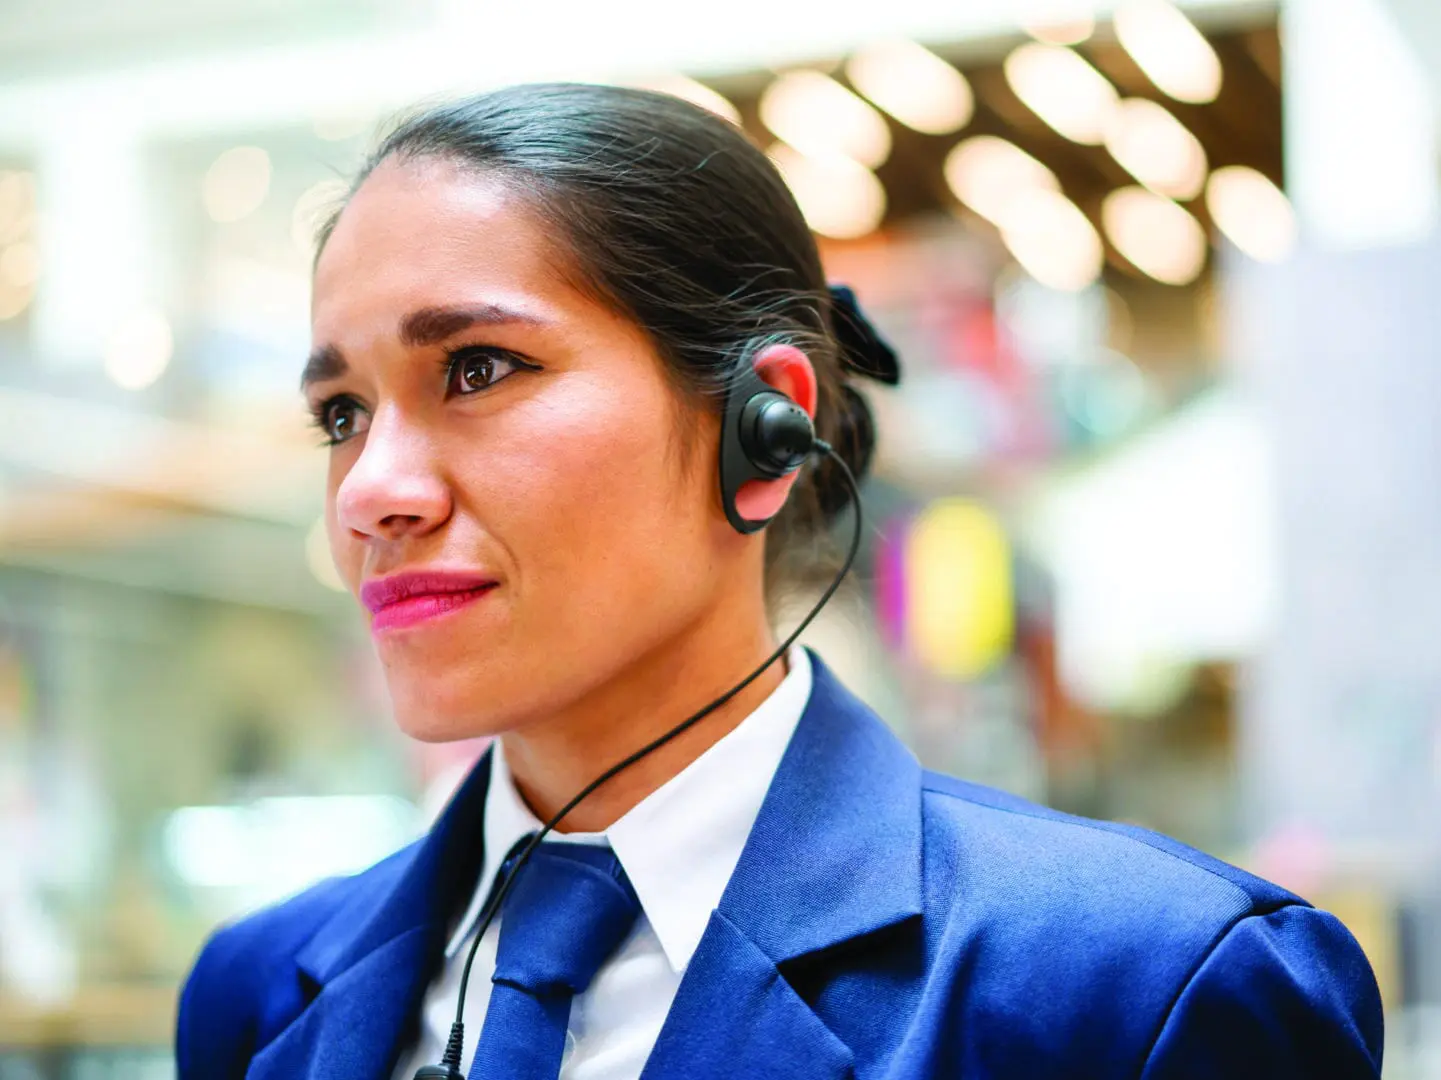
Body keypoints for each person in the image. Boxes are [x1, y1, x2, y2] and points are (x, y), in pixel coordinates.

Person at [175, 83, 1382, 1080]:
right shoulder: (257, 994)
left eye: (479, 368)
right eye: (341, 412)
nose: (369, 490)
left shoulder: (1132, 989)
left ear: (763, 431)